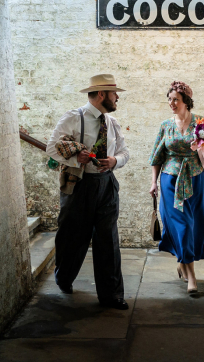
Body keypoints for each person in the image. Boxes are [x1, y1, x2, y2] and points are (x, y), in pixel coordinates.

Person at [46, 74, 130, 309]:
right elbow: (51, 148)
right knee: (73, 237)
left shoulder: (112, 123)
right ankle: (64, 277)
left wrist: (114, 161)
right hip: (79, 186)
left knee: (108, 241)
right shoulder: (73, 117)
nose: (117, 98)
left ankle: (111, 295)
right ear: (102, 94)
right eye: (114, 93)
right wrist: (75, 157)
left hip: (107, 186)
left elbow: (125, 152)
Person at [148, 81, 204, 293]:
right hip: (170, 180)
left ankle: (182, 262)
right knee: (183, 227)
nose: (171, 103)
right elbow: (156, 156)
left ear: (186, 101)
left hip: (195, 179)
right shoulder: (165, 126)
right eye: (169, 99)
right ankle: (192, 277)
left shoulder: (202, 123)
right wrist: (154, 182)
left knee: (195, 225)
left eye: (175, 99)